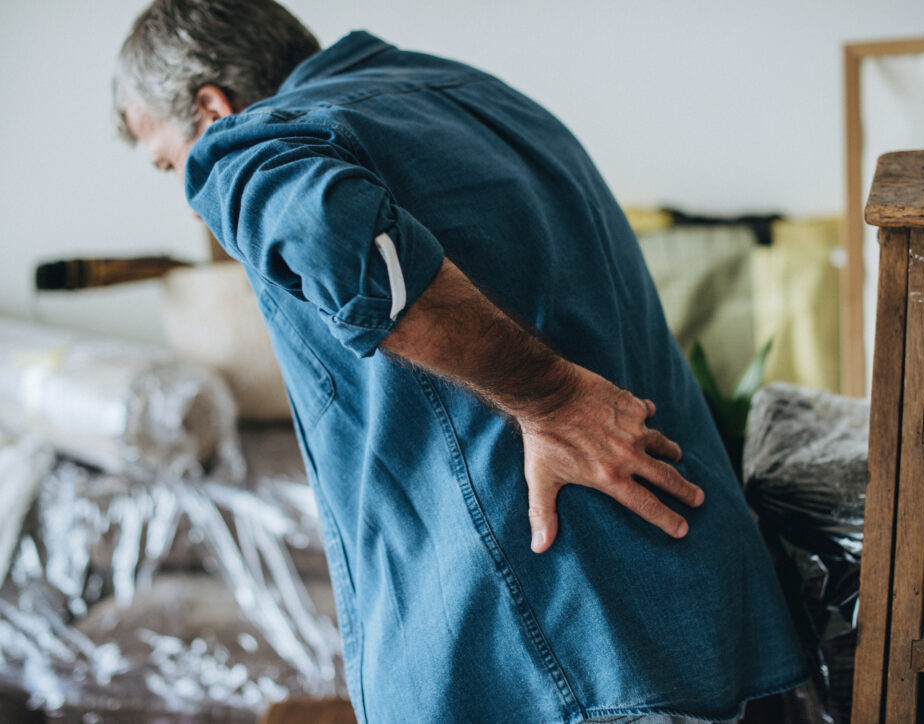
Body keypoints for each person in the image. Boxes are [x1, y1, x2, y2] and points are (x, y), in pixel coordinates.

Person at [114, 1, 807, 722]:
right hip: (703, 609)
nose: (193, 200)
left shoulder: (249, 144)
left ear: (211, 106)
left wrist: (551, 397)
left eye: (171, 162)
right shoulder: (485, 100)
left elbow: (323, 229)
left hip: (549, 648)